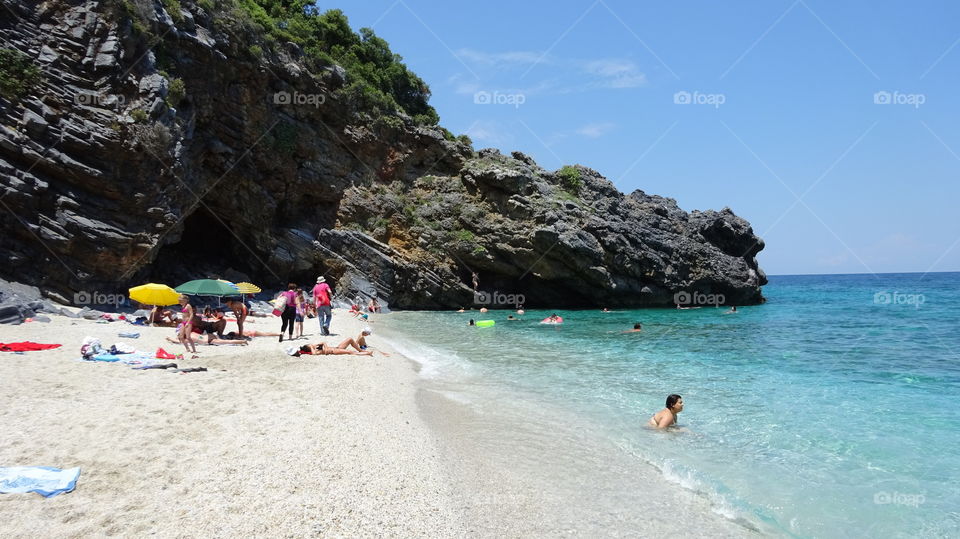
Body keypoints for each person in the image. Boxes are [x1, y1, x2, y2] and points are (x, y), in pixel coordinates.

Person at [294, 337, 374, 357]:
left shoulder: (316, 348)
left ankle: (361, 350)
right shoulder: (314, 352)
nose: (312, 345)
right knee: (350, 352)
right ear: (309, 348)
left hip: (337, 347)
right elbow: (314, 354)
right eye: (310, 345)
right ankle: (367, 354)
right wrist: (312, 347)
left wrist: (316, 345)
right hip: (334, 351)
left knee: (350, 339)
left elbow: (324, 343)